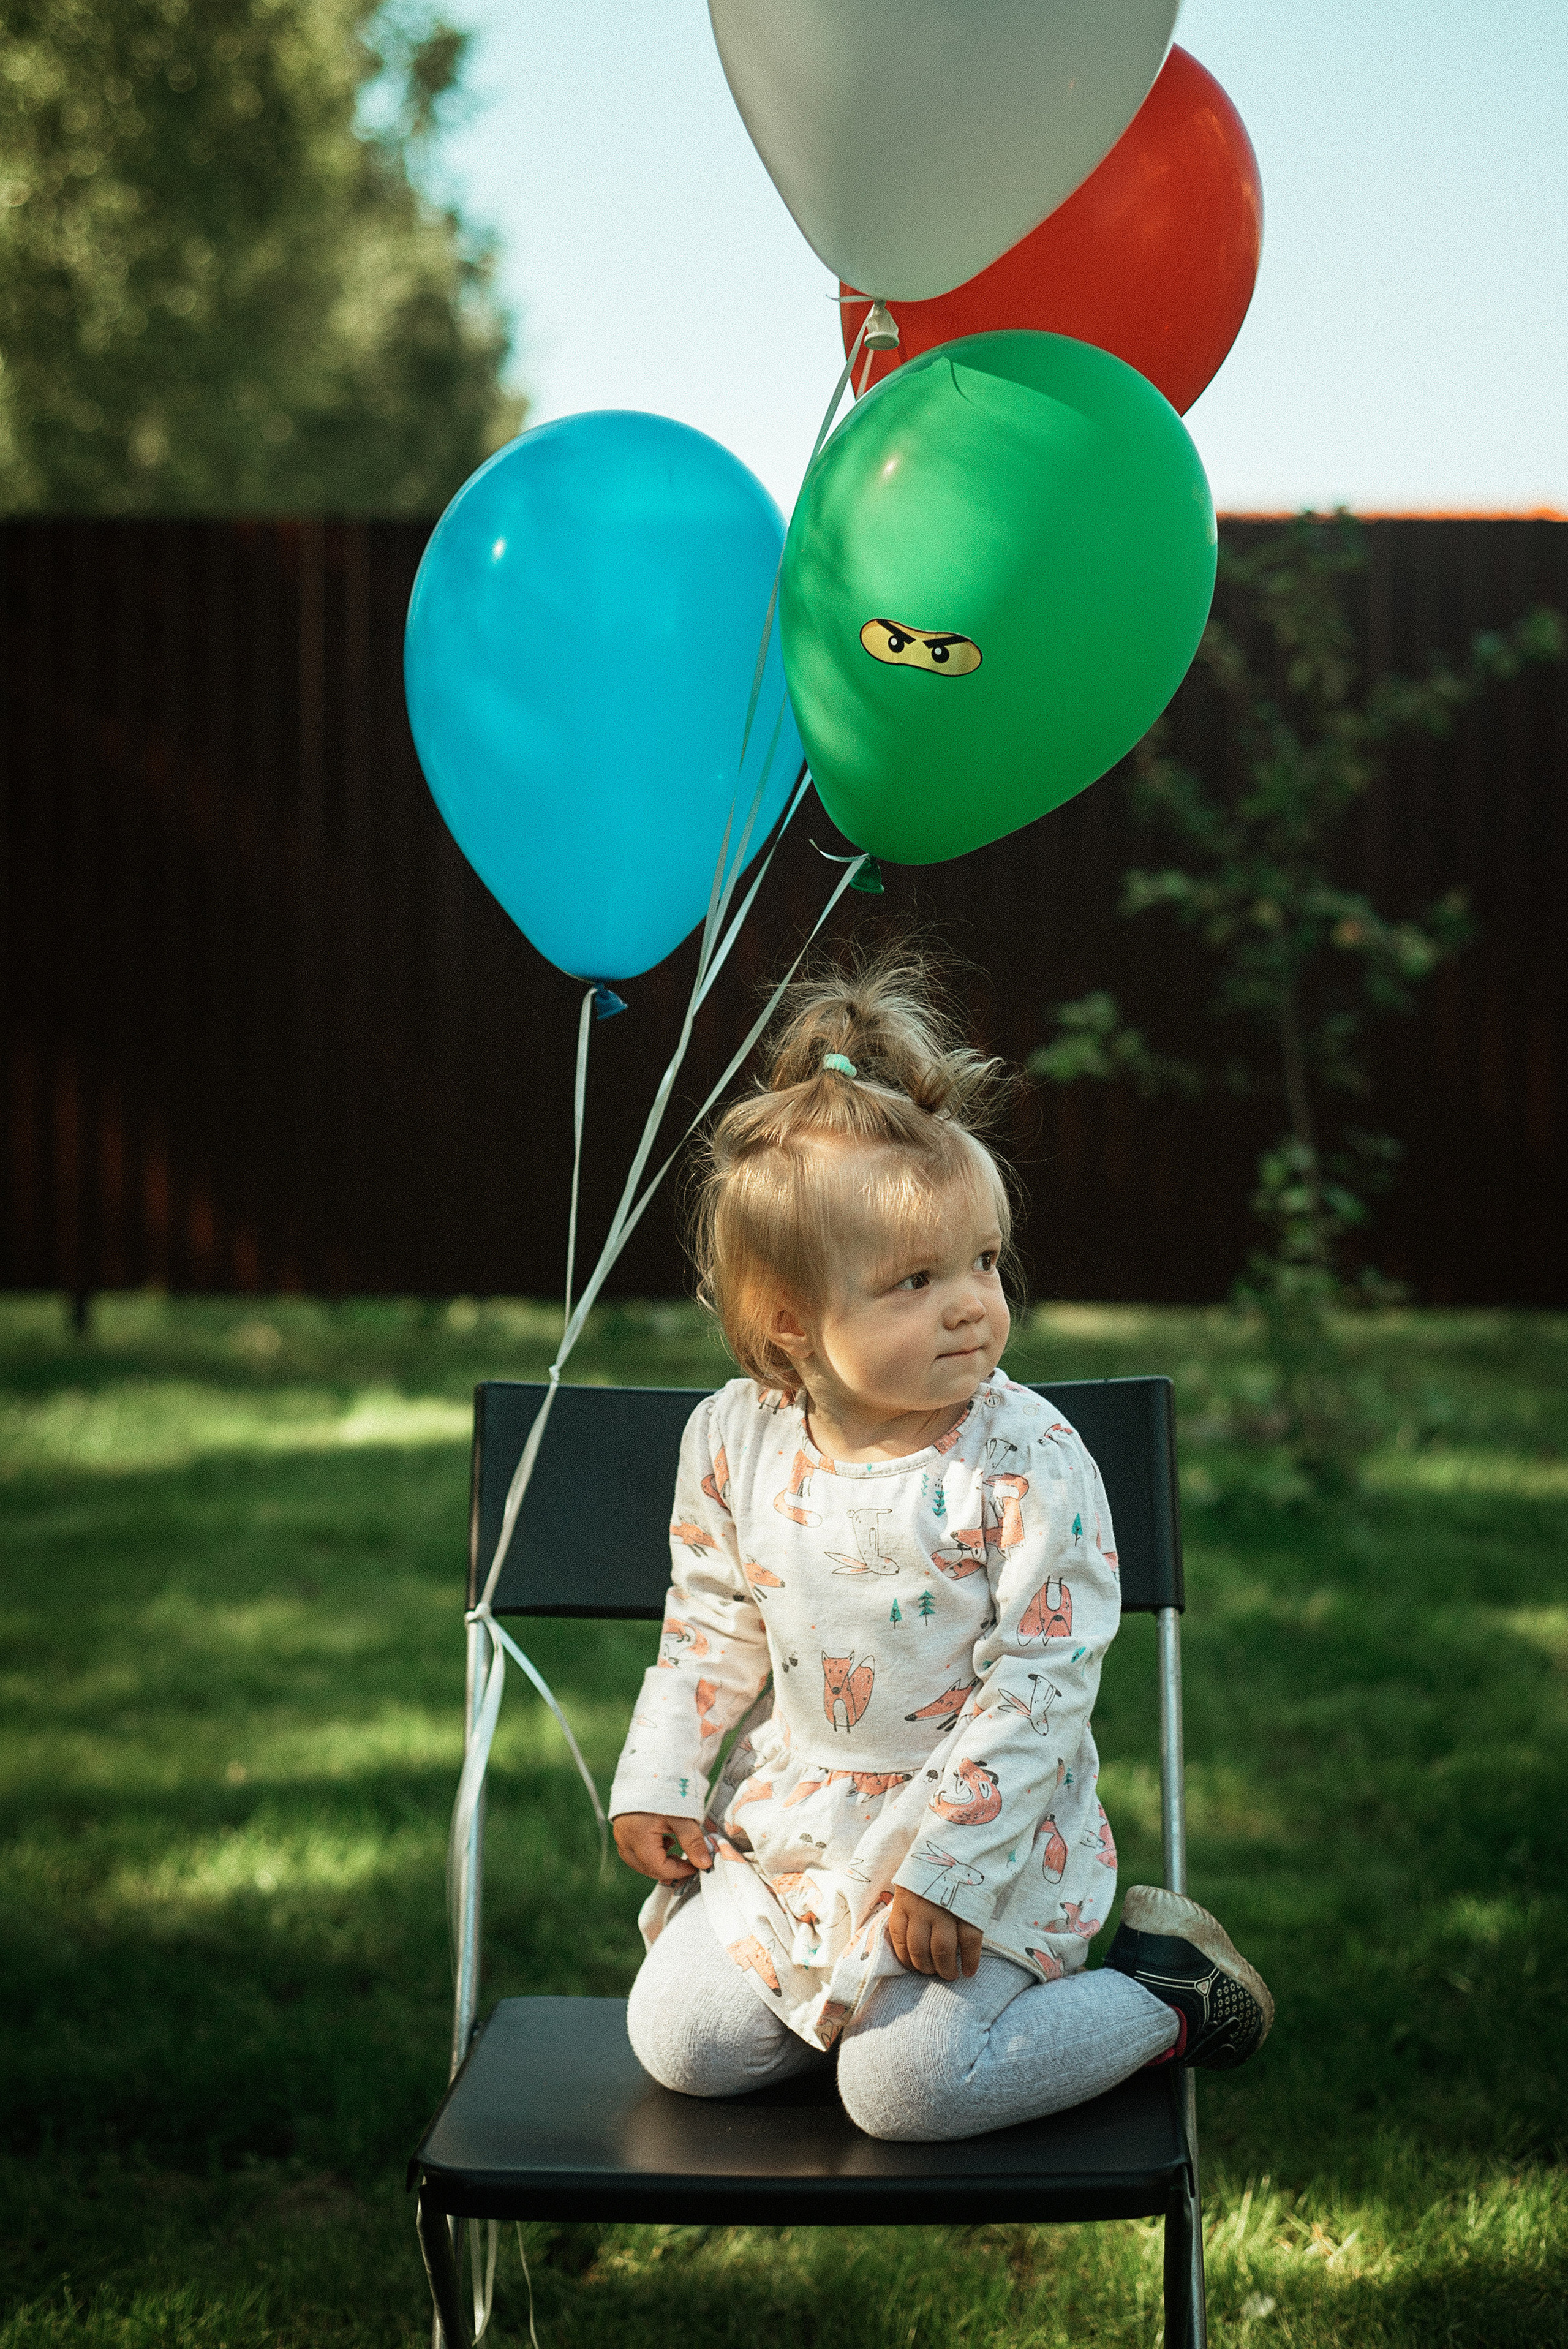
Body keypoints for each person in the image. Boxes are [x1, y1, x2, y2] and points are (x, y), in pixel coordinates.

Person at [609, 945, 1272, 2142]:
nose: (971, 1300)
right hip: (802, 1834)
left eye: (980, 1260)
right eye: (914, 1278)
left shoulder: (1024, 1459)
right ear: (789, 1324)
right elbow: (708, 1618)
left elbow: (1041, 1679)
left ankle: (1157, 1995)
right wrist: (661, 1774)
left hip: (987, 1838)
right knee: (681, 2041)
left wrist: (950, 1871)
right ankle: (857, 2010)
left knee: (904, 2094)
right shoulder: (733, 1439)